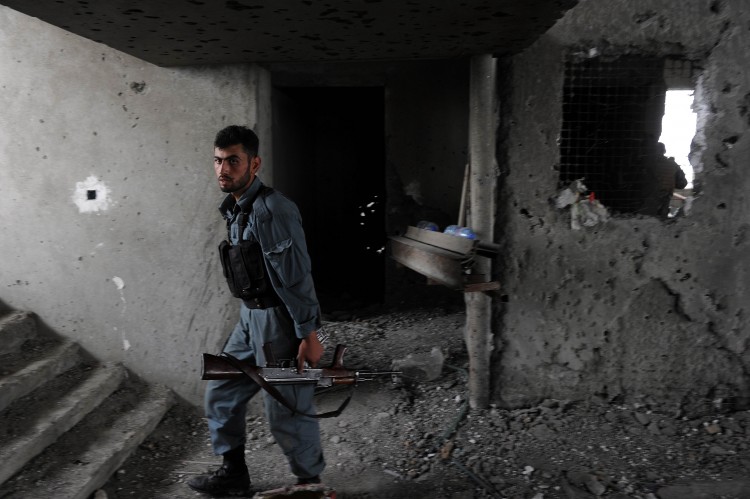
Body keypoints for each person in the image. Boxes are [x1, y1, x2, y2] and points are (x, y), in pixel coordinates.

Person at [188, 125, 325, 496]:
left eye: (233, 161)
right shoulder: (235, 208)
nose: (223, 169)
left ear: (254, 163)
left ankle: (309, 484)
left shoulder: (272, 210)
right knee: (221, 391)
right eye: (218, 161)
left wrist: (311, 335)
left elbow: (296, 277)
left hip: (278, 322)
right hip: (249, 319)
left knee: (287, 407)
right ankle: (233, 473)